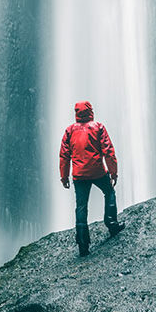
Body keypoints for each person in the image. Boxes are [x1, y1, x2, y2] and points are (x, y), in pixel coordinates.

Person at [59, 100, 125, 256]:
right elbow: (108, 151)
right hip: (98, 172)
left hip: (79, 175)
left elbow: (64, 156)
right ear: (90, 112)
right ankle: (112, 224)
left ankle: (83, 244)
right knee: (109, 192)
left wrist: (64, 176)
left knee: (81, 206)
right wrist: (113, 172)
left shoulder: (70, 131)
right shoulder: (98, 127)